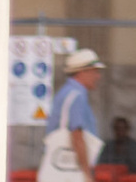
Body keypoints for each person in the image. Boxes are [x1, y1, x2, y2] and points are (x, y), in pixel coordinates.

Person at [45, 47, 105, 178]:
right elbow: (77, 136)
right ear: (82, 72)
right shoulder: (76, 95)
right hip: (69, 170)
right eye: (95, 72)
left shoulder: (68, 92)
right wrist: (87, 173)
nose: (98, 77)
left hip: (61, 166)